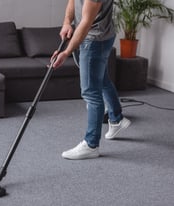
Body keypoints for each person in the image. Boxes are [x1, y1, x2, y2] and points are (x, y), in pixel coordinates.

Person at [51, 0, 131, 160]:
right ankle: (116, 119)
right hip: (91, 35)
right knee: (101, 80)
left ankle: (91, 145)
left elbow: (87, 21)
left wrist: (66, 52)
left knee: (90, 92)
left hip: (94, 39)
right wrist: (67, 22)